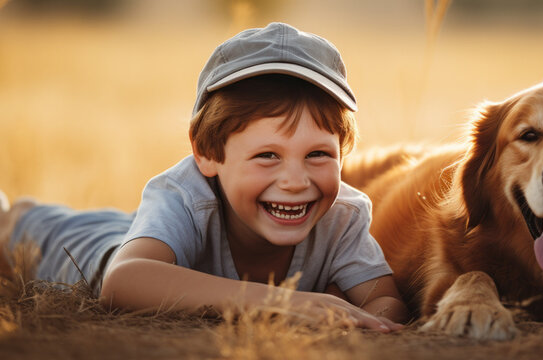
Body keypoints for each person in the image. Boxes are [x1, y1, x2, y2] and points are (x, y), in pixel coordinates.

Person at [0, 22, 408, 332]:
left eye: (318, 154)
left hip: (151, 239)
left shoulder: (344, 215)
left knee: (139, 232)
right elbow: (123, 280)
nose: (296, 180)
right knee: (30, 228)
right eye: (267, 155)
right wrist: (289, 303)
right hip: (90, 249)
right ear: (207, 152)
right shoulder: (183, 194)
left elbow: (384, 300)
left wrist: (362, 321)